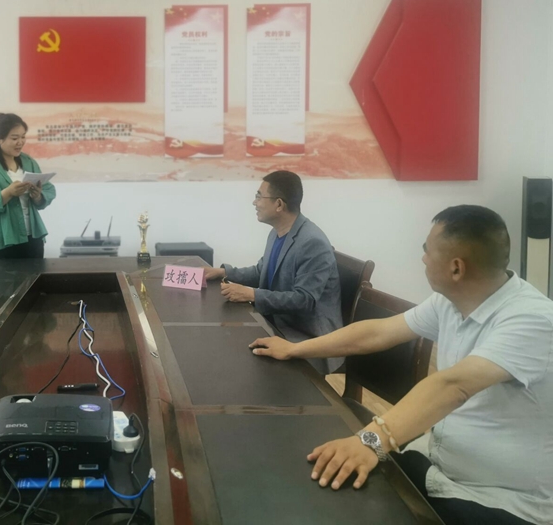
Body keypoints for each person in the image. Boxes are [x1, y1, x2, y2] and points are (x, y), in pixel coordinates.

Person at [252, 205, 552, 525]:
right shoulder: (451, 300)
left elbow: (453, 385)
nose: (422, 258)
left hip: (500, 499)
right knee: (323, 478)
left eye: (427, 250)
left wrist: (370, 440)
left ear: (456, 268)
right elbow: (377, 333)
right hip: (438, 466)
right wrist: (295, 348)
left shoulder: (532, 320)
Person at [203, 170, 343, 374]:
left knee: (238, 358)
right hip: (280, 322)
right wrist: (224, 272)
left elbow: (304, 300)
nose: (254, 202)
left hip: (308, 337)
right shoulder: (277, 233)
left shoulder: (312, 242)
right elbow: (262, 271)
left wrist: (252, 294)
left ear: (279, 204)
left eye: (259, 196)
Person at [0, 113, 56, 259]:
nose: (20, 142)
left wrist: (37, 196)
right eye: (14, 138)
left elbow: (48, 189)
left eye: (23, 137)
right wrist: (7, 193)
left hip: (31, 237)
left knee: (35, 275)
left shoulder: (28, 162)